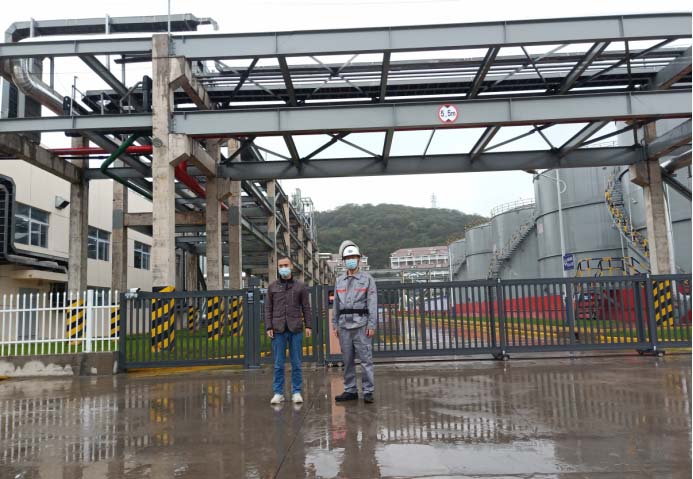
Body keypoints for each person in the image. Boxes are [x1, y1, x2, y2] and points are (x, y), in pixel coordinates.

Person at [332, 242, 377, 403]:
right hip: (344, 326)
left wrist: (371, 324)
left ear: (358, 259)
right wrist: (335, 325)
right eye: (348, 258)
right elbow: (336, 304)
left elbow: (372, 303)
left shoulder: (367, 279)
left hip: (361, 325)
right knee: (347, 360)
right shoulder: (339, 281)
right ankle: (350, 390)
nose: (351, 260)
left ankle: (368, 391)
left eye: (353, 257)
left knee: (366, 360)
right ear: (344, 261)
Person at [265, 256, 312, 404]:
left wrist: (308, 325)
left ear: (291, 266)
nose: (283, 268)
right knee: (278, 363)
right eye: (280, 266)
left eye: (286, 265)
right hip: (278, 329)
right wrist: (268, 326)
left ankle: (296, 392)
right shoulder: (272, 287)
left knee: (296, 362)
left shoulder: (300, 286)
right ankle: (278, 393)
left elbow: (306, 307)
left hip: (295, 328)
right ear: (278, 268)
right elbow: (268, 308)